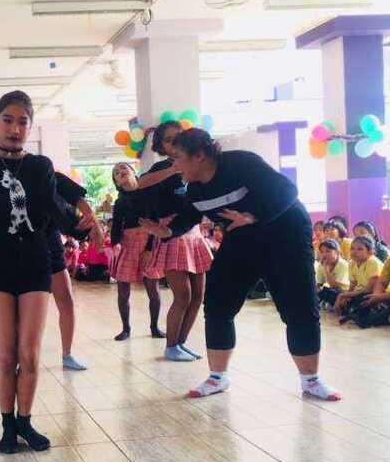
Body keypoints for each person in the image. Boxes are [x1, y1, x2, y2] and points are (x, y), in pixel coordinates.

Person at [139, 128, 341, 401]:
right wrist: (167, 231)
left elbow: (287, 190)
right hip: (241, 238)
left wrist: (253, 215)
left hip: (286, 235)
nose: (174, 165)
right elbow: (189, 215)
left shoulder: (241, 163)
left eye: (177, 158)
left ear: (199, 156)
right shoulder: (196, 189)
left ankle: (311, 380)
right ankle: (217, 377)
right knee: (218, 303)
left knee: (299, 308)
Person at [0, 90, 76, 453]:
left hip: (36, 261)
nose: (15, 128)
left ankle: (26, 421)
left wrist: (81, 225)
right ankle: (7, 426)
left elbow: (53, 209)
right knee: (6, 356)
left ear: (30, 127)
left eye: (23, 122)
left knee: (30, 355)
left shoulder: (41, 166)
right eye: (8, 120)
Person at [135, 121, 213, 361]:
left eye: (179, 136)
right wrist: (173, 169)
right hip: (169, 231)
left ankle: (180, 343)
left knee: (198, 295)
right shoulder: (161, 168)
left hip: (193, 231)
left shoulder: (196, 163)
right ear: (161, 145)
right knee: (182, 295)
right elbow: (139, 183)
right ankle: (170, 346)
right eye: (168, 140)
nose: (175, 142)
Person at [47, 171, 98, 371]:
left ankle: (67, 355)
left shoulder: (46, 172)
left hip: (51, 247)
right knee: (24, 311)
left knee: (67, 303)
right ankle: (21, 357)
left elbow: (76, 197)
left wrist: (91, 221)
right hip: (23, 251)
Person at [109, 163, 165, 341]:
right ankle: (126, 329)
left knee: (153, 289)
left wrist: (149, 249)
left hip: (149, 240)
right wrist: (116, 244)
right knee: (123, 290)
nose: (121, 172)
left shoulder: (149, 193)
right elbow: (116, 227)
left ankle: (154, 327)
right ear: (117, 183)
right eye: (116, 173)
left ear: (133, 172)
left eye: (123, 168)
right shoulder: (119, 202)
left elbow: (155, 221)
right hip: (127, 243)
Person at [334, 235, 383, 323]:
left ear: (370, 252)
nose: (354, 252)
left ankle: (358, 313)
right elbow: (352, 285)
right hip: (361, 292)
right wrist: (345, 298)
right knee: (335, 295)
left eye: (360, 249)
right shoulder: (352, 263)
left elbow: (368, 289)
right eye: (352, 248)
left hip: (376, 294)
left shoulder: (373, 262)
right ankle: (352, 312)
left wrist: (343, 296)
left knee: (361, 301)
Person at [315, 239, 350, 309]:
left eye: (328, 251)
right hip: (330, 291)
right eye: (322, 252)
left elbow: (335, 286)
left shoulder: (343, 264)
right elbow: (318, 284)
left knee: (329, 292)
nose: (324, 255)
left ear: (337, 252)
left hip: (343, 293)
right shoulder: (322, 264)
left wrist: (326, 270)